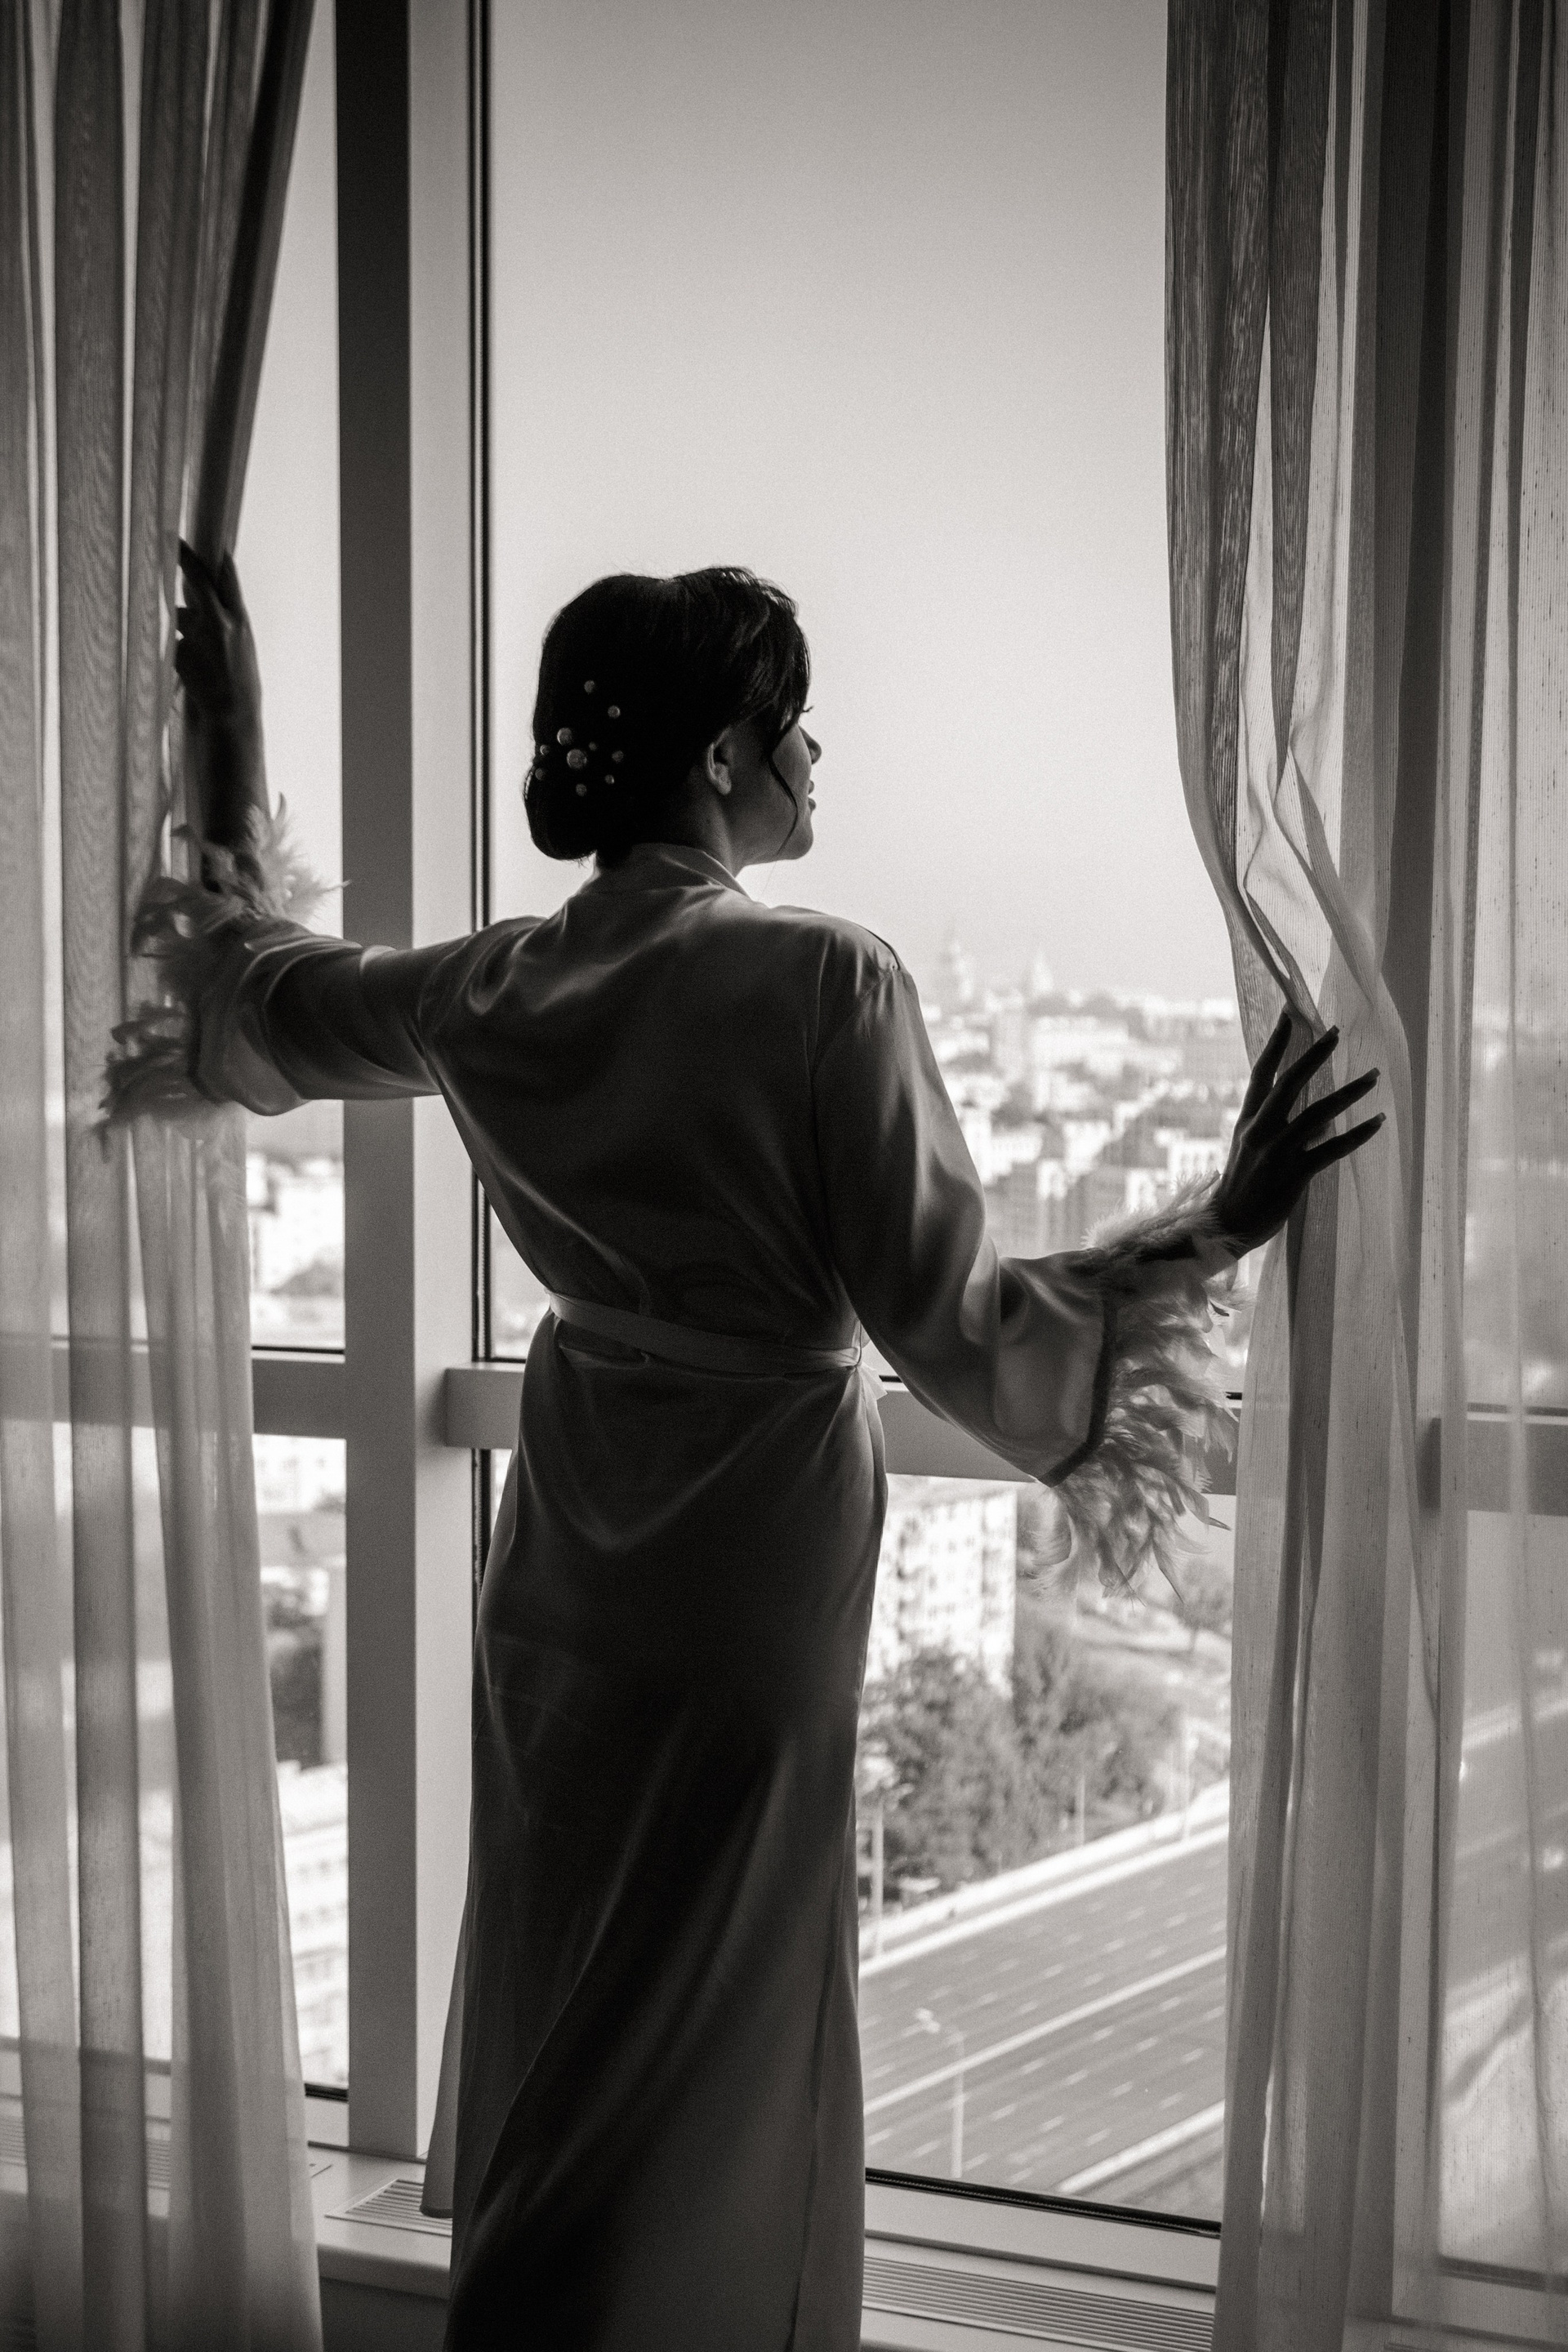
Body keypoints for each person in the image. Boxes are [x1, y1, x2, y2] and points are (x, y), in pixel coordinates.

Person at [112, 547, 1381, 2352]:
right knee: (721, 2002)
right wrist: (1213, 1228)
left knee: (580, 1980)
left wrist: (228, 732)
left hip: (565, 1547)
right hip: (748, 1563)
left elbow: (249, 996)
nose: (815, 754)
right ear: (721, 758)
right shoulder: (826, 984)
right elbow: (963, 1333)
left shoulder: (492, 989)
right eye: (793, 721)